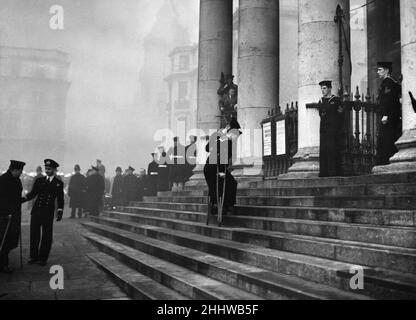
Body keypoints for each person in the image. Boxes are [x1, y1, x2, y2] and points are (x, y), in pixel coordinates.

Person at [23, 159, 64, 266]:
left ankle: (43, 258)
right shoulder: (39, 181)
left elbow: (60, 199)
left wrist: (60, 211)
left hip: (48, 212)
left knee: (46, 236)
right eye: (46, 168)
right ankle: (33, 256)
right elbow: (33, 193)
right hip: (36, 211)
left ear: (54, 170)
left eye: (49, 169)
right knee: (34, 235)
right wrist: (22, 199)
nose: (47, 170)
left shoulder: (58, 183)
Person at [204, 118, 241, 216]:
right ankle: (224, 206)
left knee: (225, 183)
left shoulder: (222, 138)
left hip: (212, 168)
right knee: (230, 183)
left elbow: (208, 148)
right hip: (215, 168)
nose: (236, 137)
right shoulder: (225, 140)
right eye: (235, 134)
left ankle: (219, 204)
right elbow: (208, 149)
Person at [0, 161, 26, 273]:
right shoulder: (3, 180)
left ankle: (4, 263)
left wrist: (25, 199)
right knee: (4, 241)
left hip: (14, 216)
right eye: (20, 171)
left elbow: (16, 197)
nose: (21, 173)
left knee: (11, 240)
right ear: (14, 170)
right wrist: (6, 213)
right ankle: (3, 265)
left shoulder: (16, 180)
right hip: (5, 216)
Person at [376, 62, 402, 165]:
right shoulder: (388, 82)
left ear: (386, 70)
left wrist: (385, 114)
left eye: (380, 70)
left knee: (387, 138)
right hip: (389, 116)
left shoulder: (388, 82)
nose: (378, 72)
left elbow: (389, 100)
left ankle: (385, 161)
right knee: (386, 138)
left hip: (389, 117)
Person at [318, 80, 344, 177]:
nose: (322, 90)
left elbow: (341, 115)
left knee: (333, 150)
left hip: (333, 130)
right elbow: (321, 115)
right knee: (324, 150)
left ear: (329, 88)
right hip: (324, 130)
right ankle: (324, 173)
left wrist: (337, 128)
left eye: (324, 88)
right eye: (321, 88)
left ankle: (334, 172)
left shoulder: (336, 100)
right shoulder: (321, 101)